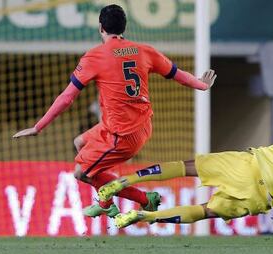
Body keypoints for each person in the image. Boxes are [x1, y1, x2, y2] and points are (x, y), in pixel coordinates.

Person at [12, 4, 217, 218]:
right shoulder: (144, 51)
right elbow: (177, 73)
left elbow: (67, 97)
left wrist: (38, 127)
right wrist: (201, 85)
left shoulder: (95, 57)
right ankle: (110, 198)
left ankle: (130, 201)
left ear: (101, 27)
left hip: (122, 135)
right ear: (124, 28)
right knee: (79, 143)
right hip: (140, 125)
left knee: (81, 172)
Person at [99, 95, 273, 246]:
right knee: (204, 211)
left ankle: (126, 180)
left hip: (250, 163)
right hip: (262, 194)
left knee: (188, 167)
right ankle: (141, 216)